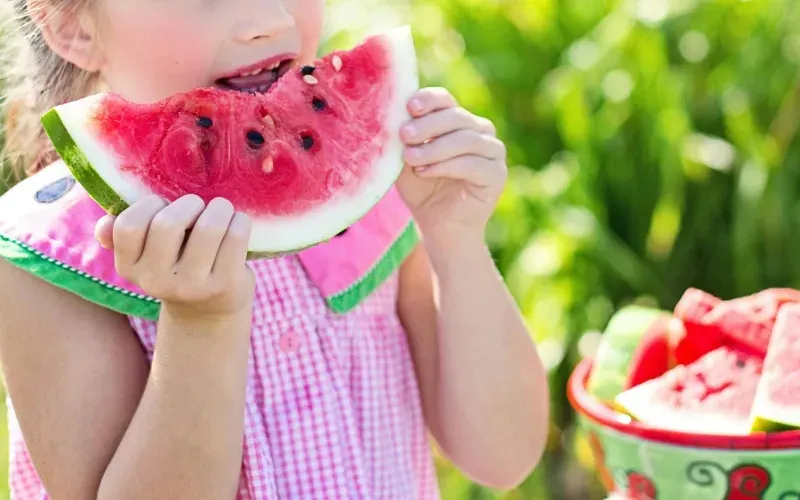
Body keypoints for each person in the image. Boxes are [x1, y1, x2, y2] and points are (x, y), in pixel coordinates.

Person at [0, 0, 548, 498]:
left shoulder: (374, 189)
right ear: (71, 26)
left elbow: (503, 455)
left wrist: (456, 241)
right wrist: (200, 326)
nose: (271, 20)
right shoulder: (46, 258)